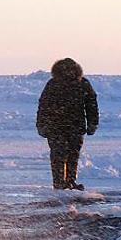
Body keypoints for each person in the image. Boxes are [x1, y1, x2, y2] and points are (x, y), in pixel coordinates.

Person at [36, 58, 99, 190]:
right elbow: (44, 105)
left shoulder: (83, 84)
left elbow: (91, 104)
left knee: (73, 154)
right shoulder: (53, 84)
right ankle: (59, 183)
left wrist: (92, 123)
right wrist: (41, 125)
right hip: (56, 128)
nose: (68, 72)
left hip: (75, 127)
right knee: (58, 154)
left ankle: (70, 181)